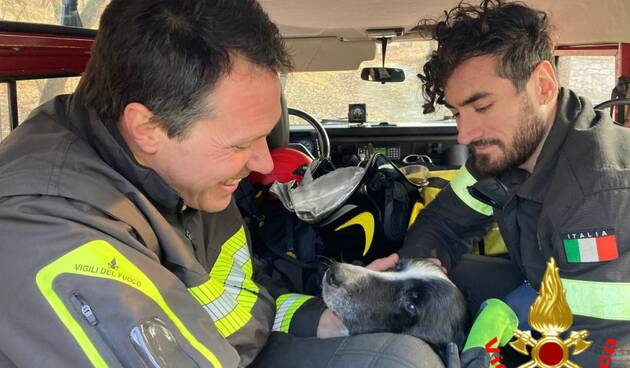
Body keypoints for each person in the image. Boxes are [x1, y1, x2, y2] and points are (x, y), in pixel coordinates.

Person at [0, 1, 461, 367]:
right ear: (149, 128)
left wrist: (329, 318)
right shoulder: (48, 232)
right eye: (243, 142)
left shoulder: (187, 177)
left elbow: (243, 296)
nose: (262, 160)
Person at [400, 0, 630, 366]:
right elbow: (441, 224)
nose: (464, 134)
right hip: (550, 294)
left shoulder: (603, 190)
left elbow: (600, 354)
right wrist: (412, 276)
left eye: (482, 106)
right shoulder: (503, 152)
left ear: (542, 85)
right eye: (458, 112)